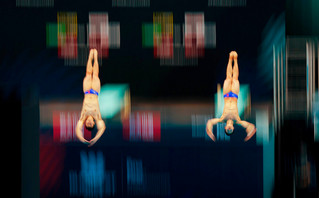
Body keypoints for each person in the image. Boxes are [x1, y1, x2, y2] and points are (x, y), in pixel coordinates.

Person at [206, 51, 256, 142]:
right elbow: (251, 126)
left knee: (228, 77)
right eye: (231, 130)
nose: (229, 128)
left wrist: (209, 132)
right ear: (233, 128)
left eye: (227, 130)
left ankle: (230, 58)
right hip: (235, 94)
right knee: (235, 77)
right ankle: (235, 59)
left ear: (225, 127)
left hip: (226, 94)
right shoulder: (238, 120)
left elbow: (210, 122)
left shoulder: (222, 119)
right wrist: (250, 133)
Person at [76, 49, 106, 147]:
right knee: (95, 74)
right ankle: (96, 58)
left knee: (88, 73)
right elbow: (102, 128)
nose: (89, 122)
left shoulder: (82, 117)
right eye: (91, 124)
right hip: (95, 91)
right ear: (93, 123)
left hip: (87, 90)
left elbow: (77, 129)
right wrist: (95, 139)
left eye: (87, 124)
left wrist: (81, 138)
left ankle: (90, 56)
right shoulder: (97, 117)